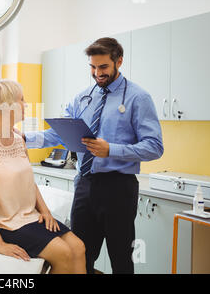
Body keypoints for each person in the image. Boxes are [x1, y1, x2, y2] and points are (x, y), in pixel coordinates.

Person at [24, 38, 164, 274]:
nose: (97, 73)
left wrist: (111, 150)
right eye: (93, 67)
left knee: (121, 257)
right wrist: (24, 139)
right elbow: (58, 134)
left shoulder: (138, 98)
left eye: (103, 67)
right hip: (85, 186)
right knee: (80, 254)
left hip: (119, 188)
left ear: (119, 61)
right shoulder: (82, 98)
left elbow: (154, 146)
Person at [0, 80, 86, 274]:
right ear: (7, 105)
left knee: (78, 247)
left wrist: (45, 211)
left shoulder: (18, 137)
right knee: (62, 252)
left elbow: (29, 182)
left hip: (23, 216)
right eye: (22, 100)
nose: (26, 104)